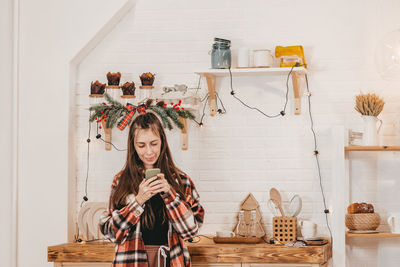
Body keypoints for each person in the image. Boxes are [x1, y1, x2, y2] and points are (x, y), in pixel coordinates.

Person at [99, 112, 205, 267]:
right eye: (141, 145)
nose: (149, 152)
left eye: (154, 143)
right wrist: (138, 201)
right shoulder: (121, 181)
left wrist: (170, 196)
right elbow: (111, 233)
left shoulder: (181, 181)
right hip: (132, 260)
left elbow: (191, 232)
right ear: (133, 146)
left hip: (171, 260)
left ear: (162, 141)